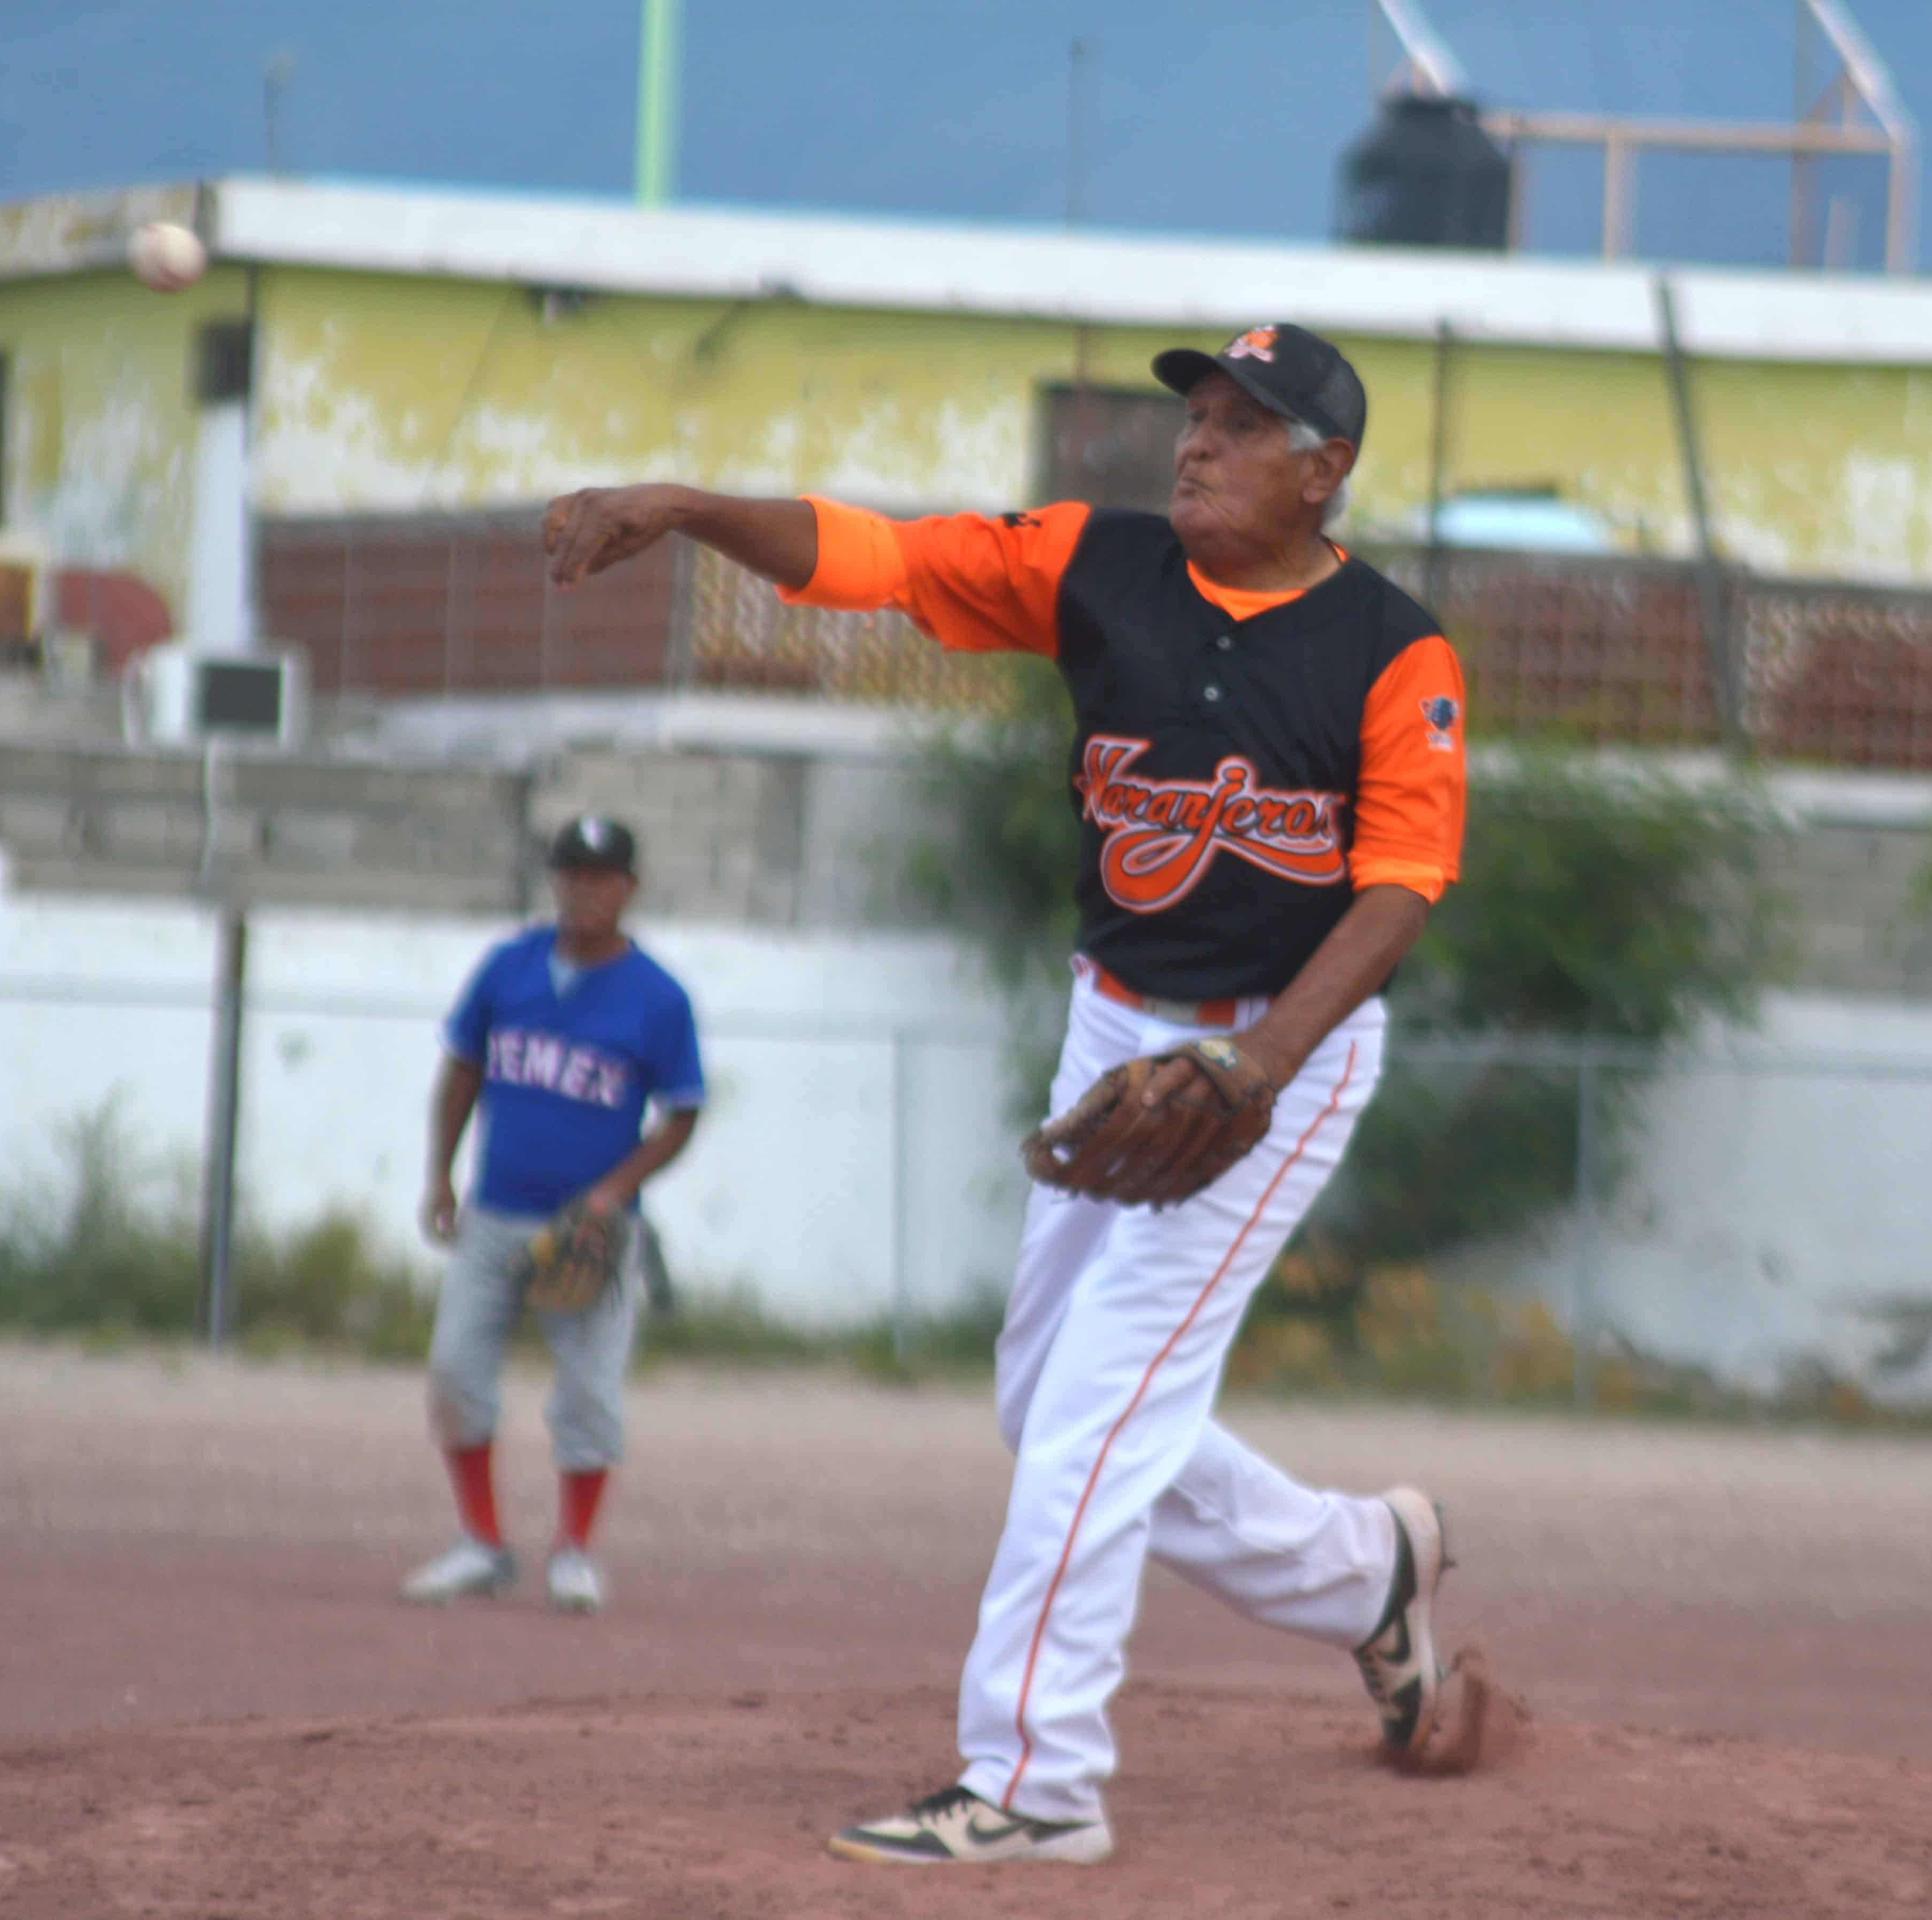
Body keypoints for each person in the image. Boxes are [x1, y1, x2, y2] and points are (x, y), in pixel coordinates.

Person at [542, 322, 1468, 1866]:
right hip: (1117, 1030)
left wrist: (1257, 1065)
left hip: (1279, 1053)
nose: (1195, 445)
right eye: (1195, 418)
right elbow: (881, 559)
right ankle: (1364, 1569)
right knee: (1048, 1404)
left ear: (1325, 474)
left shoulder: (1394, 649)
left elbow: (1399, 893)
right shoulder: (1098, 565)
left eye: (1242, 428)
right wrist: (694, 506)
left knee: (1097, 1412)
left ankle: (1038, 1782)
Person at [401, 814, 706, 1616]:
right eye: (570, 872)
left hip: (595, 1228)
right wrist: (440, 1176)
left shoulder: (658, 998)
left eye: (600, 875)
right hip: (496, 1215)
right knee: (456, 1373)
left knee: (589, 1395)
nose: (583, 888)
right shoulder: (509, 967)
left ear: (628, 889)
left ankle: (574, 1552)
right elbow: (462, 1071)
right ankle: (482, 1545)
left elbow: (681, 1114)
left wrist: (614, 1191)